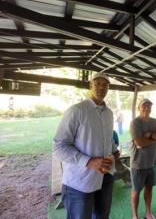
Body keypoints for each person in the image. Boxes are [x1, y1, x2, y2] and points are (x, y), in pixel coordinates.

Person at [53, 72, 120, 219]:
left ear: (108, 88)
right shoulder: (77, 111)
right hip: (81, 180)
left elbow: (108, 139)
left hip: (105, 176)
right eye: (97, 83)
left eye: (105, 85)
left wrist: (115, 151)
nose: (101, 87)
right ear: (91, 85)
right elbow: (59, 146)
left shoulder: (109, 113)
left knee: (102, 216)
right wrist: (89, 161)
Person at [129, 98, 156, 219]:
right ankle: (135, 215)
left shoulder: (155, 122)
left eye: (149, 106)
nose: (146, 108)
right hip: (138, 164)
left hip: (152, 162)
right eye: (144, 105)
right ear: (139, 108)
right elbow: (139, 141)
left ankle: (148, 213)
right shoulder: (135, 123)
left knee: (149, 188)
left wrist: (150, 135)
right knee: (136, 191)